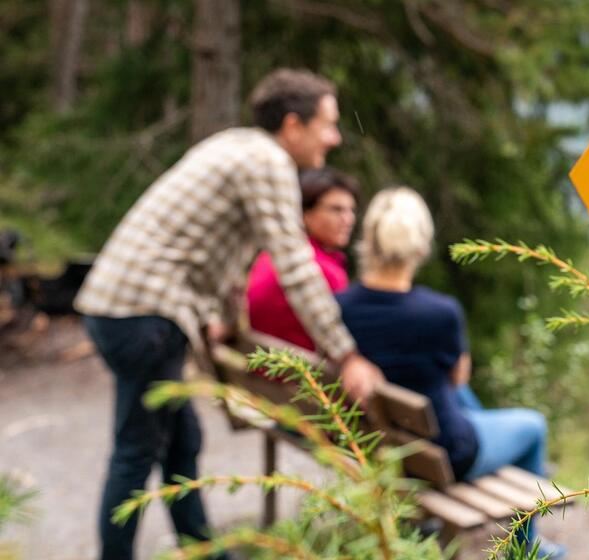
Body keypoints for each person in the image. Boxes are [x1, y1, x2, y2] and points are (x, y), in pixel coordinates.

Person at [74, 68, 382, 560]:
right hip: (144, 316)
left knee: (182, 441)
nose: (335, 137)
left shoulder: (236, 146)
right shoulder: (267, 162)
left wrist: (225, 316)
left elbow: (219, 253)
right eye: (327, 124)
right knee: (136, 452)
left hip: (122, 309)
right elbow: (294, 264)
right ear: (293, 125)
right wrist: (346, 355)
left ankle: (205, 551)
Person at [336, 187, 566, 558]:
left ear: (369, 242)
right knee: (533, 425)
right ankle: (524, 549)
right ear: (420, 247)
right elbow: (459, 376)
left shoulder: (341, 305)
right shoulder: (440, 312)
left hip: (383, 447)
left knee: (452, 395)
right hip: (447, 457)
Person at [247, 167, 359, 352]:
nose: (348, 219)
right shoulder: (322, 270)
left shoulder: (273, 254)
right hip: (299, 368)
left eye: (351, 210)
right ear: (305, 213)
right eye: (336, 210)